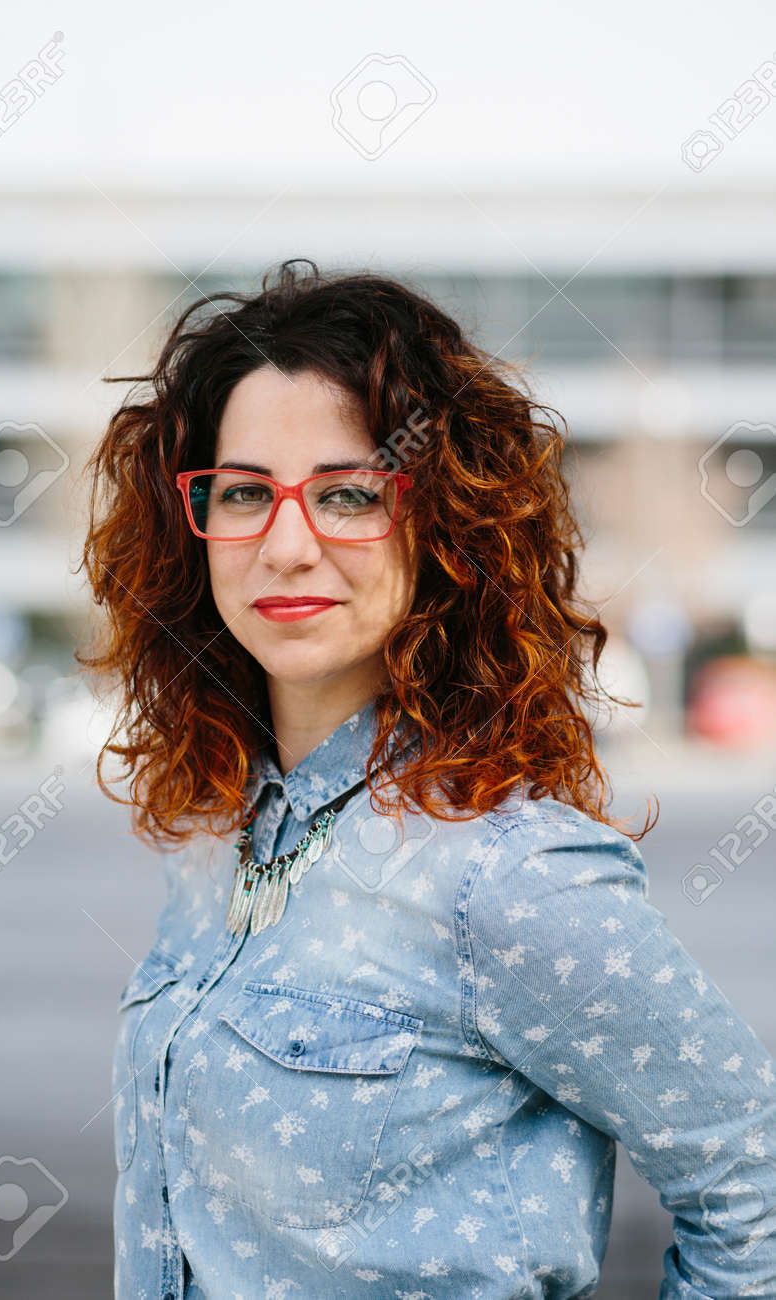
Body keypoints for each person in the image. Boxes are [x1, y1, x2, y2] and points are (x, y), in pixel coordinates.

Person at [76, 259, 776, 1299]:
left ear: (443, 524)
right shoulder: (224, 828)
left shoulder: (508, 870)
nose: (288, 544)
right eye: (243, 492)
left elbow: (749, 1184)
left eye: (349, 493)